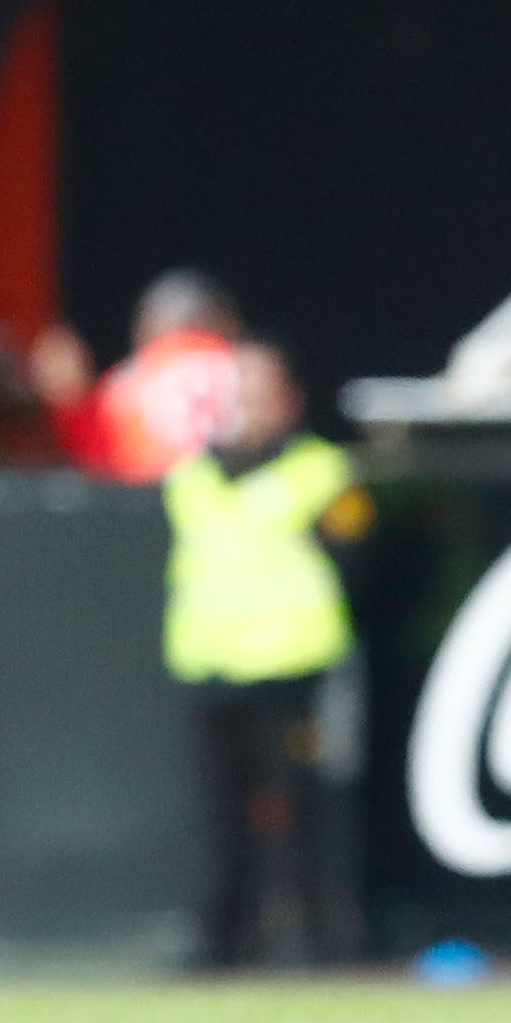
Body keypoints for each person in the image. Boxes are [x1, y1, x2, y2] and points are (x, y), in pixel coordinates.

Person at [163, 342, 369, 969]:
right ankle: (225, 941)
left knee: (303, 814)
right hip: (212, 666)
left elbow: (357, 552)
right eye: (237, 391)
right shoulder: (191, 476)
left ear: (288, 401)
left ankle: (317, 942)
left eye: (260, 391)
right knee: (221, 818)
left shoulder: (321, 471)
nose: (246, 405)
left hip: (294, 666)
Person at [39, 269, 244, 482]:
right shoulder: (248, 374)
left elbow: (94, 461)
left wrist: (69, 403)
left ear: (148, 326)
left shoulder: (128, 380)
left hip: (142, 505)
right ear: (230, 323)